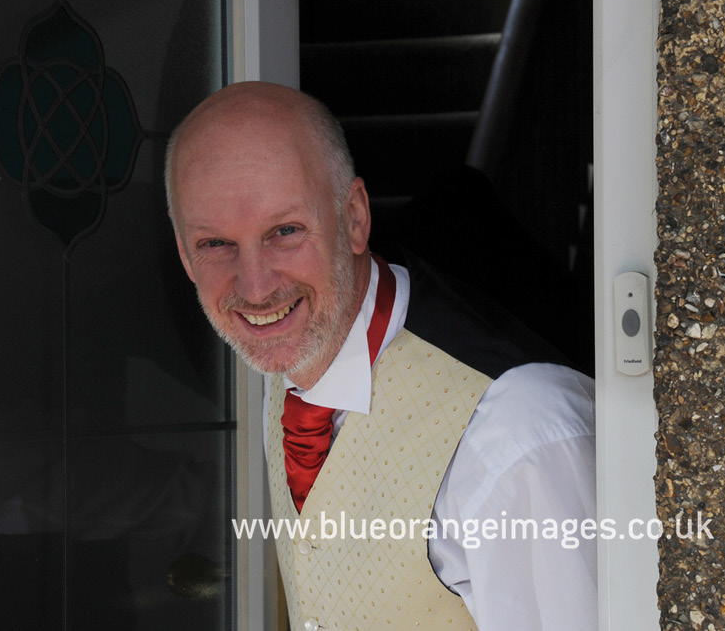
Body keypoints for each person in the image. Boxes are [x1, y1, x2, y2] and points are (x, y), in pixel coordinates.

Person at [165, 81, 596, 630]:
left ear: (354, 219)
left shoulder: (517, 432)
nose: (254, 288)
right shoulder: (288, 365)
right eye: (215, 244)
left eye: (285, 231)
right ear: (184, 254)